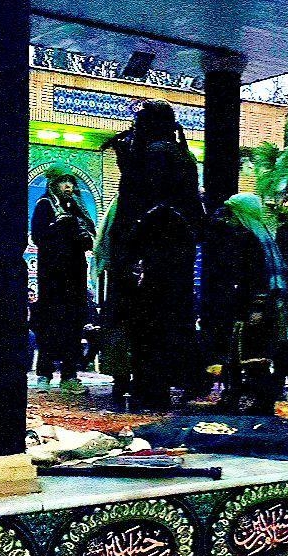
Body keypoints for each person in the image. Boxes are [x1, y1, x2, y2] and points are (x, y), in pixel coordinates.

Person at [99, 100, 205, 410]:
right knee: (169, 319)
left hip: (151, 251)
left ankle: (151, 388)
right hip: (174, 252)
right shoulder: (182, 155)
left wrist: (128, 163)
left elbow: (140, 200)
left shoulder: (156, 154)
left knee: (146, 322)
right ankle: (163, 384)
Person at [202, 192, 288, 414]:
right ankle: (237, 398)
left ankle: (260, 401)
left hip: (253, 308)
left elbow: (256, 277)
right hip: (259, 306)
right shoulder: (262, 235)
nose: (228, 218)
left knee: (252, 357)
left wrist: (257, 307)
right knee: (241, 356)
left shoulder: (250, 239)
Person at [31, 163, 96, 395]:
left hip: (75, 275)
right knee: (50, 323)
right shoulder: (45, 205)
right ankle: (44, 374)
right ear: (53, 184)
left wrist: (80, 235)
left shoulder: (78, 208)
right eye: (63, 181)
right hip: (52, 276)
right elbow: (38, 237)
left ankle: (69, 375)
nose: (68, 186)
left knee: (73, 324)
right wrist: (58, 228)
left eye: (70, 182)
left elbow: (90, 237)